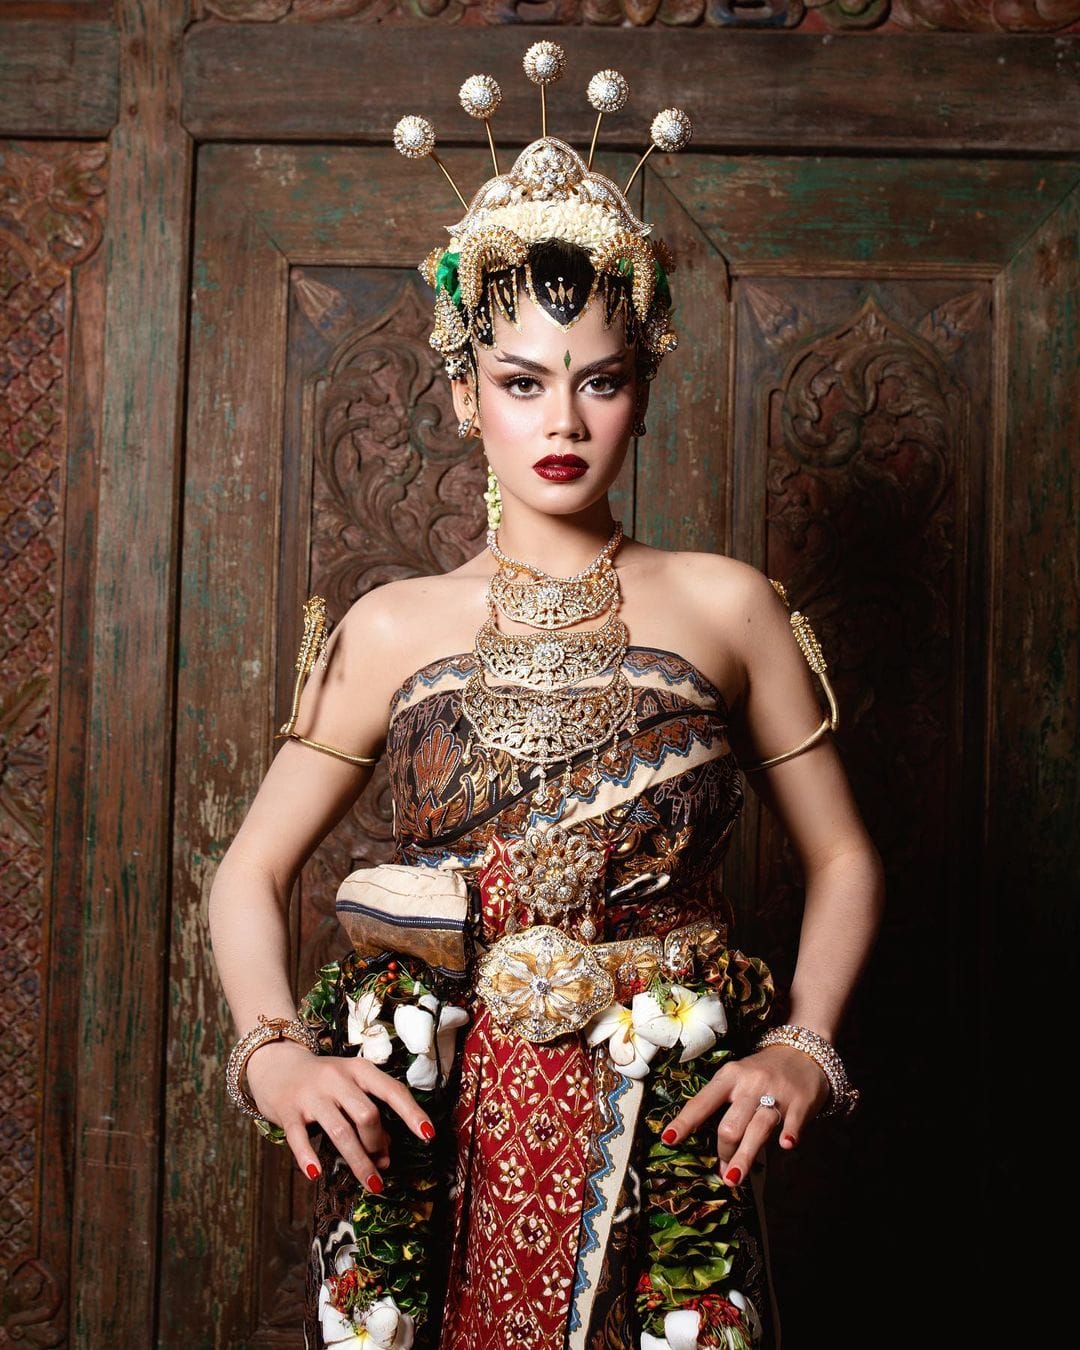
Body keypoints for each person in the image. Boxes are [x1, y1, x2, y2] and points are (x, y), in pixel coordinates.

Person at [208, 44, 884, 1350]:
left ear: (642, 390)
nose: (561, 420)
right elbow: (249, 872)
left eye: (599, 380)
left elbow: (845, 857)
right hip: (437, 1131)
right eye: (522, 382)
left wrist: (804, 1044)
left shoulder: (728, 606)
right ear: (466, 393)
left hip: (662, 1124)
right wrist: (273, 1050)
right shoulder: (391, 625)